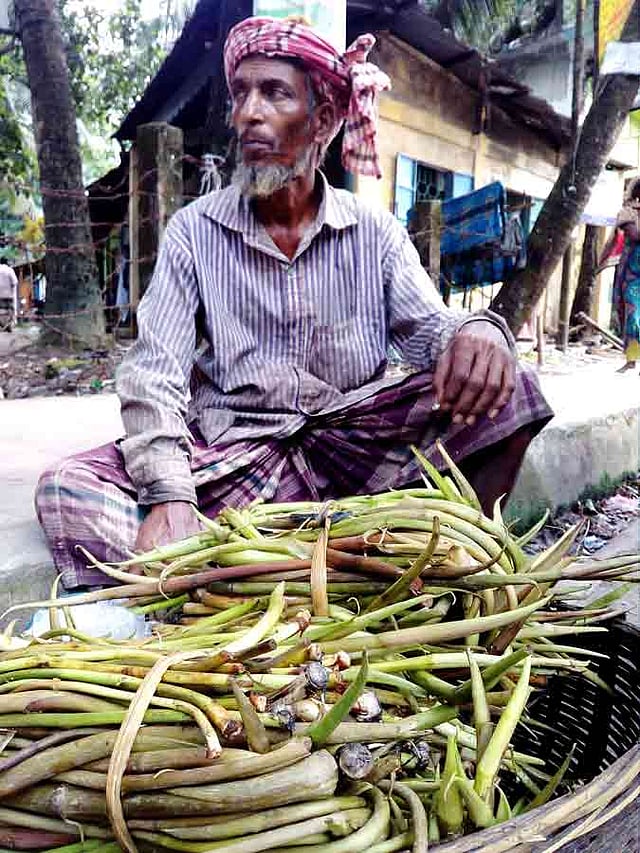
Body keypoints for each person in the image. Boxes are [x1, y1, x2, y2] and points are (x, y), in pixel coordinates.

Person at [35, 16, 553, 589]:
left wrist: (477, 331)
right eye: (241, 94)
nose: (248, 113)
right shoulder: (193, 233)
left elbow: (429, 330)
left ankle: (442, 577)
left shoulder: (374, 231)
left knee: (512, 393)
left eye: (274, 93)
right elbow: (155, 375)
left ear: (324, 119)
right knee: (68, 490)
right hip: (238, 459)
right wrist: (170, 494)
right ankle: (323, 572)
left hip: (353, 452)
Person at [598, 178, 640, 372]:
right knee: (632, 317)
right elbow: (635, 235)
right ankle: (632, 360)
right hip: (633, 274)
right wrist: (600, 264)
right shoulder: (628, 213)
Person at [0, 256, 18, 332]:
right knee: (9, 310)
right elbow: (15, 282)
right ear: (6, 262)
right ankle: (8, 326)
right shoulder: (9, 270)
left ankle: (1, 324)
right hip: (8, 295)